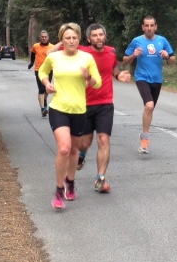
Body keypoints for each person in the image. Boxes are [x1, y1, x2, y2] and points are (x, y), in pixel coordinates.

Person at [49, 24, 132, 192]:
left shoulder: (111, 51)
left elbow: (113, 66)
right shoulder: (82, 52)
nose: (98, 38)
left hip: (105, 103)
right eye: (94, 35)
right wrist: (64, 34)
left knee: (103, 139)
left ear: (105, 36)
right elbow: (52, 54)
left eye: (101, 34)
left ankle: (100, 178)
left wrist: (118, 74)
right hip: (83, 104)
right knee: (83, 144)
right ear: (88, 39)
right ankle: (81, 155)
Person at [38, 23, 101, 210]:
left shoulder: (87, 58)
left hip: (79, 110)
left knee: (74, 150)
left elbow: (97, 83)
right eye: (67, 38)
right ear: (62, 40)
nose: (71, 41)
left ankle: (70, 181)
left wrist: (89, 77)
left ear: (79, 39)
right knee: (64, 148)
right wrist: (47, 83)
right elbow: (42, 70)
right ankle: (58, 190)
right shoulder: (54, 57)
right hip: (59, 108)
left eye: (74, 38)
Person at [124, 15, 176, 154]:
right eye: (146, 25)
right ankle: (145, 139)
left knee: (150, 109)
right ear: (143, 27)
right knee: (149, 105)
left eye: (151, 25)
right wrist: (133, 55)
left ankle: (143, 135)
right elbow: (125, 60)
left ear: (156, 27)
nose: (149, 28)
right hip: (142, 77)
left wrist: (167, 56)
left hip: (157, 79)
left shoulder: (162, 40)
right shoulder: (137, 41)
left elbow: (173, 60)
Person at [28, 30, 55, 117]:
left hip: (49, 70)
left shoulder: (52, 47)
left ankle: (44, 101)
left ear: (48, 37)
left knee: (47, 89)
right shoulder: (36, 46)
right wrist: (31, 63)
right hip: (38, 70)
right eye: (42, 37)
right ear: (40, 37)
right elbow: (32, 53)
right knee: (41, 89)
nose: (44, 38)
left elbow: (55, 58)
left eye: (45, 37)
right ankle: (43, 109)